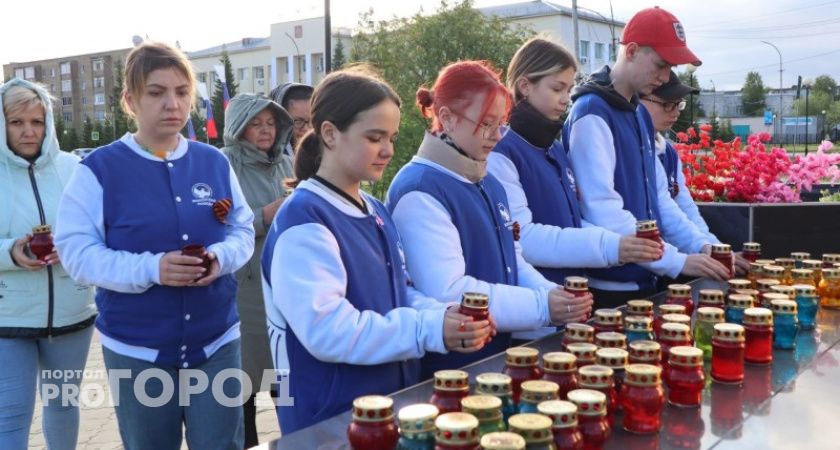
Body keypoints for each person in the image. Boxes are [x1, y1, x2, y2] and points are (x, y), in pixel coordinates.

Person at [261, 65, 494, 434]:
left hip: (387, 408)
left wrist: (448, 314)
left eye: (392, 137)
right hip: (329, 420)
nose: (387, 150)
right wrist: (427, 330)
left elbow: (401, 293)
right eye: (374, 137)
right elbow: (328, 331)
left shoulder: (375, 209)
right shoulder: (304, 219)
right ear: (330, 133)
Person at [55, 42, 255, 450]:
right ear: (130, 99)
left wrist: (221, 257)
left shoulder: (213, 161)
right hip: (137, 349)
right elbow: (76, 254)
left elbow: (242, 229)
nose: (172, 103)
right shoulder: (98, 170)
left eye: (182, 92)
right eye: (156, 92)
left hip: (215, 341)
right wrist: (152, 268)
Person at [386, 60, 593, 371]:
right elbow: (448, 291)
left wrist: (554, 294)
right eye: (486, 123)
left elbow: (514, 260)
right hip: (452, 369)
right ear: (447, 118)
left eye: (502, 123)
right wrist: (543, 306)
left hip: (494, 356)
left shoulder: (487, 180)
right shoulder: (420, 189)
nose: (498, 136)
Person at [564, 7, 730, 306]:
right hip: (609, 286)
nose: (666, 77)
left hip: (643, 275)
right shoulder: (591, 112)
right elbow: (602, 210)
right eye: (660, 65)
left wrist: (703, 248)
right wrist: (677, 261)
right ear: (631, 50)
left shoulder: (638, 112)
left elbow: (660, 199)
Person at [488, 37, 663, 292]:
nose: (566, 99)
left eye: (569, 90)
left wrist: (619, 243)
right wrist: (612, 246)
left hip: (569, 300)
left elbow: (573, 222)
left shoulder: (554, 147)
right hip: (534, 306)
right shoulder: (502, 151)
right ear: (525, 86)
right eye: (557, 88)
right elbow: (524, 238)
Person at [0, 79, 96, 450]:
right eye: (17, 122)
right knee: (10, 416)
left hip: (72, 311)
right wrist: (11, 252)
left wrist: (70, 247)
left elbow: (98, 230)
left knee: (63, 405)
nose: (28, 131)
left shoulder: (74, 168)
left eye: (37, 121)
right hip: (10, 316)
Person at [221, 93, 293, 447]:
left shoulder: (285, 161)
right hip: (243, 287)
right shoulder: (223, 164)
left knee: (287, 379)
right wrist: (265, 215)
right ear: (238, 127)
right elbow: (214, 221)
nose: (266, 131)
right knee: (243, 381)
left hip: (282, 282)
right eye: (256, 123)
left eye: (271, 123)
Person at [640, 71, 749, 275]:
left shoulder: (669, 153)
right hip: (647, 261)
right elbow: (666, 210)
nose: (675, 112)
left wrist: (715, 249)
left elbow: (686, 207)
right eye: (667, 104)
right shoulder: (636, 149)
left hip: (664, 262)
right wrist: (703, 248)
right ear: (640, 101)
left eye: (679, 104)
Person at [269, 82, 313, 160]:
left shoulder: (328, 153)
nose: (307, 129)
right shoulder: (269, 162)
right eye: (298, 122)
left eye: (312, 121)